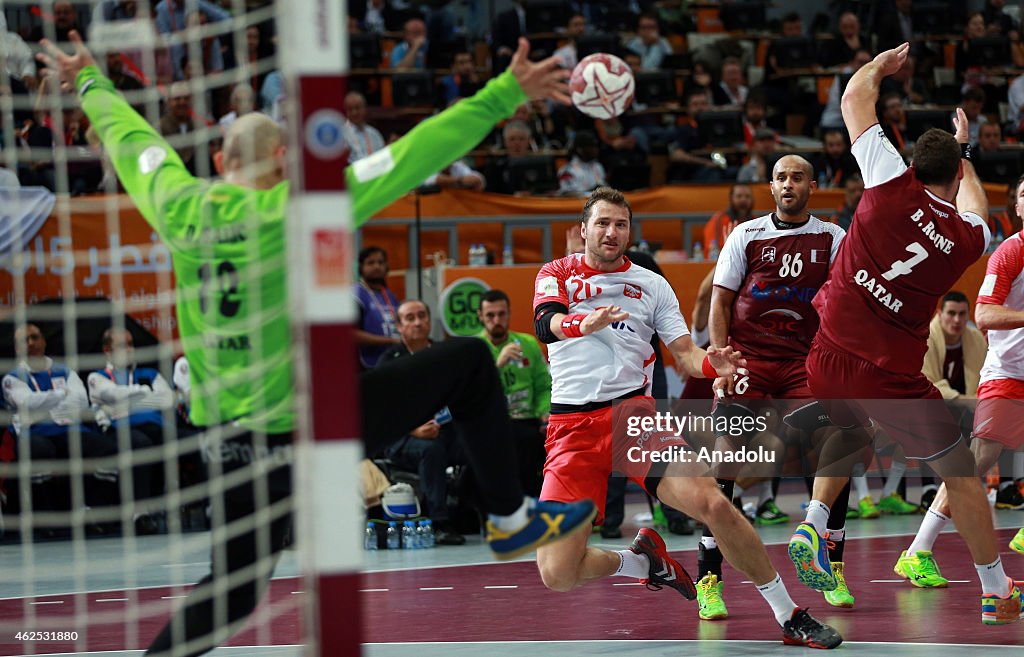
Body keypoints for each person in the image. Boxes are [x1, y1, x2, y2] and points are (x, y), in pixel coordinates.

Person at [40, 33, 597, 657]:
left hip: (227, 440)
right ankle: (507, 519)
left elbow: (135, 145)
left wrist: (91, 82)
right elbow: (413, 154)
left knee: (234, 589)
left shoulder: (179, 205)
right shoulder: (302, 210)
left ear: (220, 164)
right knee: (468, 361)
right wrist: (502, 94)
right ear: (283, 159)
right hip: (311, 426)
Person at [532, 186, 842, 649]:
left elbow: (685, 353)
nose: (611, 232)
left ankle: (788, 612)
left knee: (715, 503)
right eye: (602, 223)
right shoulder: (556, 273)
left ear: (630, 231)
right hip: (570, 430)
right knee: (556, 573)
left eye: (620, 224)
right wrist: (585, 324)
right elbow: (547, 323)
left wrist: (712, 364)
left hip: (632, 420)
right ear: (583, 230)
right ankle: (641, 562)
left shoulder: (651, 285)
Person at [794, 42, 1022, 625]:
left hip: (826, 350)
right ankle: (997, 591)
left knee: (849, 426)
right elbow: (977, 205)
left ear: (913, 166)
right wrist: (966, 150)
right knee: (962, 476)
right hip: (890, 370)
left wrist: (880, 65)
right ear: (950, 179)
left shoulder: (886, 179)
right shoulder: (968, 237)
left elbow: (853, 98)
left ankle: (813, 525)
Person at [704, 154, 851, 617]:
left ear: (812, 185)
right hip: (748, 361)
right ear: (771, 187)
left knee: (832, 443)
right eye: (781, 178)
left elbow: (846, 303)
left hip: (803, 363)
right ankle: (710, 576)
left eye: (798, 177)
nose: (789, 184)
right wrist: (719, 359)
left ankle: (831, 564)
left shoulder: (832, 237)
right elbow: (721, 301)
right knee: (725, 455)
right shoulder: (745, 234)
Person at [895, 222, 1024, 586]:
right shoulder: (1011, 252)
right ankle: (918, 551)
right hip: (1008, 374)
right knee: (975, 463)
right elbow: (984, 315)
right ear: (1016, 207)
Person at [379, 300, 468, 545]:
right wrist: (413, 429)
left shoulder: (444, 355)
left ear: (429, 321)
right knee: (432, 450)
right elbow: (380, 409)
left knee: (481, 444)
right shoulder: (389, 361)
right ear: (399, 326)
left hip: (445, 429)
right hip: (401, 438)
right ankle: (439, 522)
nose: (417, 322)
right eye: (410, 318)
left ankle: (485, 516)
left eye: (422, 316)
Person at [86, 327, 176, 531]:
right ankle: (139, 514)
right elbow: (113, 395)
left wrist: (130, 402)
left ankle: (212, 507)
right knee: (142, 444)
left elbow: (168, 400)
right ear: (107, 350)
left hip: (156, 427)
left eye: (131, 344)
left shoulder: (149, 373)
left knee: (192, 439)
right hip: (116, 430)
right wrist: (145, 394)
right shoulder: (97, 376)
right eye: (122, 345)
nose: (129, 349)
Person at [476, 289, 550, 496]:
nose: (496, 320)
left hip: (529, 420)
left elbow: (544, 386)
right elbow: (474, 392)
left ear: (509, 313)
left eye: (501, 314)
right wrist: (497, 365)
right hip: (494, 421)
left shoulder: (527, 343)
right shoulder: (475, 349)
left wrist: (544, 412)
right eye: (490, 315)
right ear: (480, 316)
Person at [354, 246, 401, 369]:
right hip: (365, 368)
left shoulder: (390, 295)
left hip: (391, 362)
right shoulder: (356, 295)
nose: (376, 266)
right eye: (370, 263)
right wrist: (391, 341)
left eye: (381, 262)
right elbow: (350, 334)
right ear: (361, 267)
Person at [702, 183, 754, 260]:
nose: (743, 200)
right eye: (739, 196)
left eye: (747, 196)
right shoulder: (718, 220)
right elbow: (711, 250)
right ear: (731, 198)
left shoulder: (756, 222)